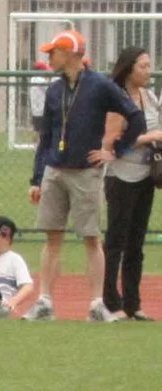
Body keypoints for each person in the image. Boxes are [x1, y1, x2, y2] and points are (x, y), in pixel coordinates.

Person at [30, 29, 136, 321]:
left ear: (70, 53)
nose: (49, 57)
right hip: (55, 171)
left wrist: (115, 151)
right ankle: (44, 302)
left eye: (53, 52)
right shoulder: (54, 89)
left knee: (90, 238)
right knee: (52, 238)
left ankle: (96, 305)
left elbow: (134, 115)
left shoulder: (100, 85)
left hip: (85, 173)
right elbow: (46, 137)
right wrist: (37, 178)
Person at [102, 47, 161, 320]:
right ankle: (110, 302)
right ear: (128, 69)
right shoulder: (117, 98)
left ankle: (132, 303)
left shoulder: (149, 97)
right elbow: (111, 143)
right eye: (143, 66)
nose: (148, 71)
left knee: (136, 243)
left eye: (149, 65)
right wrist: (149, 138)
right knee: (116, 241)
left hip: (145, 176)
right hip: (121, 176)